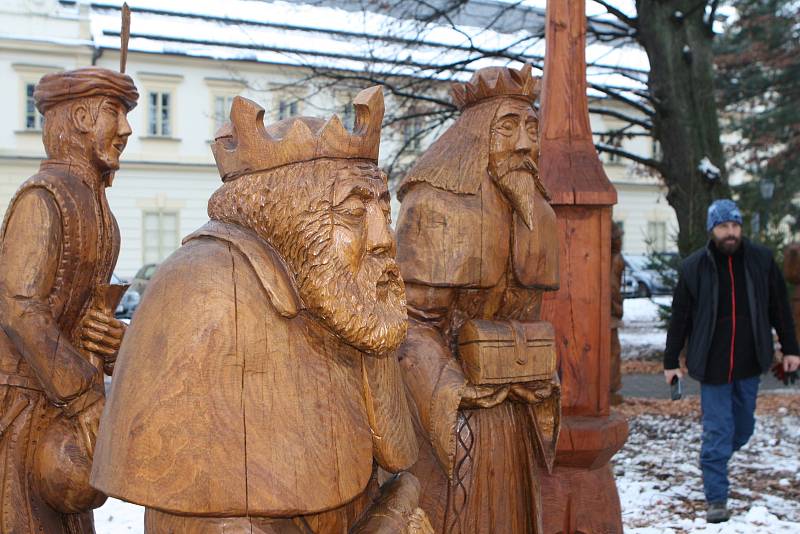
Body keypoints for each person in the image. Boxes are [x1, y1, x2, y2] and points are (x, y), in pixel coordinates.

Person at [91, 87, 432, 533]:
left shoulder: (348, 298)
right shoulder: (202, 288)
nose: (383, 238)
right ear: (290, 217)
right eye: (353, 211)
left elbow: (390, 468)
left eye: (382, 210)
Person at [394, 64, 560, 534]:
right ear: (475, 137)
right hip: (453, 413)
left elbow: (530, 320)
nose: (526, 144)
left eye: (532, 128)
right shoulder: (435, 207)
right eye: (507, 129)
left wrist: (532, 374)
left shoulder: (538, 215)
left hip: (515, 412)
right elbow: (409, 325)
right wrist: (455, 391)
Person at [0, 67, 137, 533]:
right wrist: (81, 394)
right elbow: (19, 307)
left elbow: (81, 318)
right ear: (80, 116)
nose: (126, 129)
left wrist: (116, 344)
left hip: (63, 427)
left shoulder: (102, 214)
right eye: (114, 113)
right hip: (22, 414)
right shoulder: (43, 199)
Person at [663, 198, 800, 523]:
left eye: (735, 226)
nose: (731, 233)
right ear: (713, 230)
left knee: (743, 428)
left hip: (750, 361)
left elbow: (780, 308)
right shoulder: (694, 267)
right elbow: (679, 317)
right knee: (718, 431)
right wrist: (671, 360)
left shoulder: (761, 261)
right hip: (711, 366)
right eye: (724, 227)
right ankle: (717, 499)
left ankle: (717, 458)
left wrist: (791, 349)